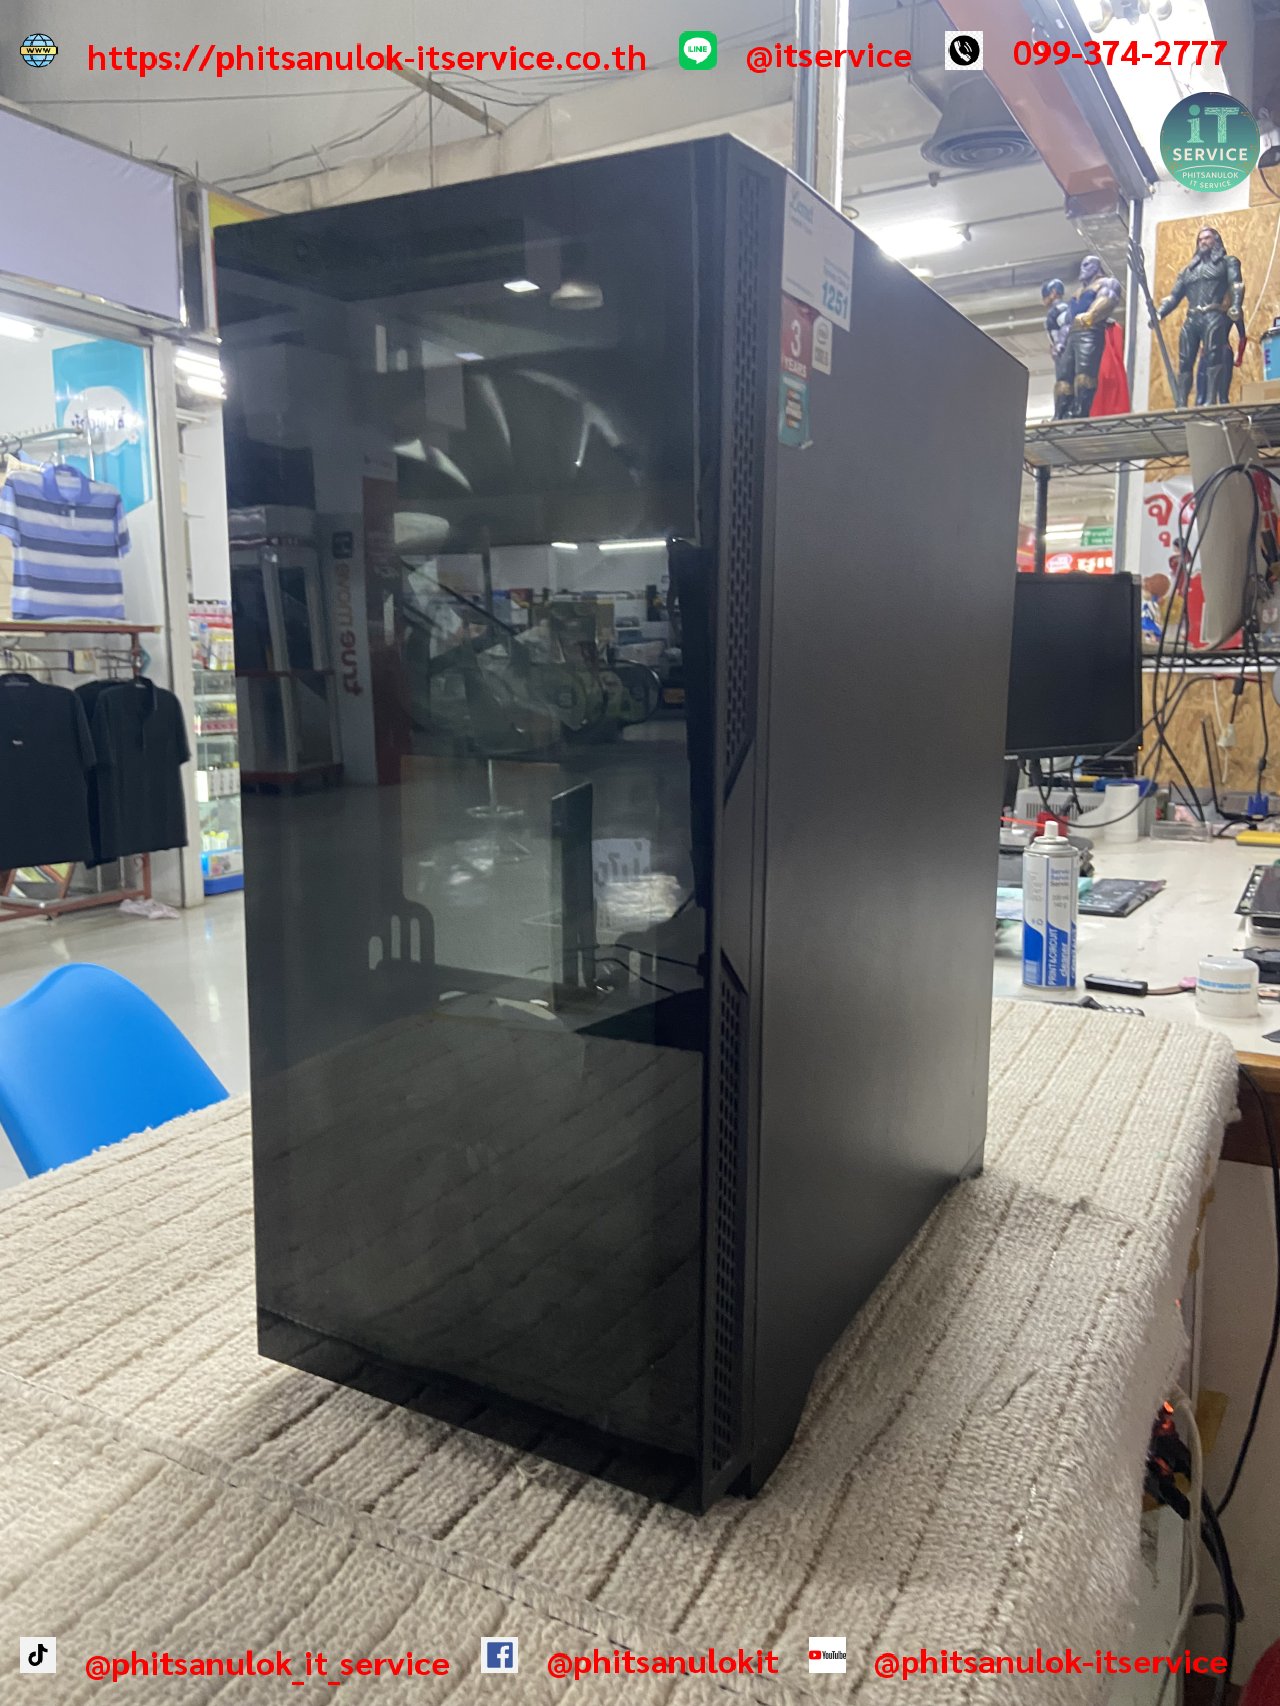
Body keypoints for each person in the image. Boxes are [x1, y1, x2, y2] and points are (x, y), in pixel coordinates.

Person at [1157, 225, 1246, 407]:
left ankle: (1210, 400)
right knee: (1185, 360)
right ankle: (1181, 403)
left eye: (1207, 238)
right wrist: (1159, 313)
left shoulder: (1227, 262)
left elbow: (1236, 284)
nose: (1203, 242)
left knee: (1213, 356)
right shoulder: (1188, 271)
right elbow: (1174, 296)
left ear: (1216, 240)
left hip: (1213, 314)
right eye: (1200, 239)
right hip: (1192, 318)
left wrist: (1236, 305)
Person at [1068, 256, 1123, 418]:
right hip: (1073, 334)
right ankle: (1062, 414)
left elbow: (1107, 299)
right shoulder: (1077, 292)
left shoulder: (1107, 283)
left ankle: (1081, 412)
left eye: (1086, 265)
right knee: (1065, 378)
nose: (1082, 268)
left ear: (1096, 267)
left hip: (1090, 331)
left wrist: (1090, 315)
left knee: (1084, 374)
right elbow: (1068, 318)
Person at [1041, 279, 1075, 418]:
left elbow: (1066, 326)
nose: (1044, 300)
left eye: (1045, 295)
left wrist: (1059, 344)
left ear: (1053, 293)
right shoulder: (1062, 308)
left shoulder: (1059, 309)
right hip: (1062, 350)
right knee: (1064, 380)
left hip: (1063, 351)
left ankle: (1062, 414)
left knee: (1064, 381)